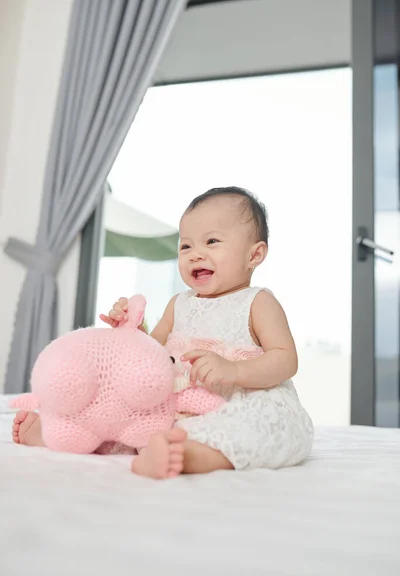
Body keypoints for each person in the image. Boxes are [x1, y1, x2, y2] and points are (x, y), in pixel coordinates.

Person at [12, 187, 313, 479]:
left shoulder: (258, 302)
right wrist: (131, 331)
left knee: (269, 430)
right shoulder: (178, 304)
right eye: (186, 246)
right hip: (174, 403)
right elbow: (153, 354)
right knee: (117, 407)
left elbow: (285, 360)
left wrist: (234, 370)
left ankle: (186, 456)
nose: (195, 254)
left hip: (240, 402)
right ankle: (60, 430)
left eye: (212, 241)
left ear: (254, 255)